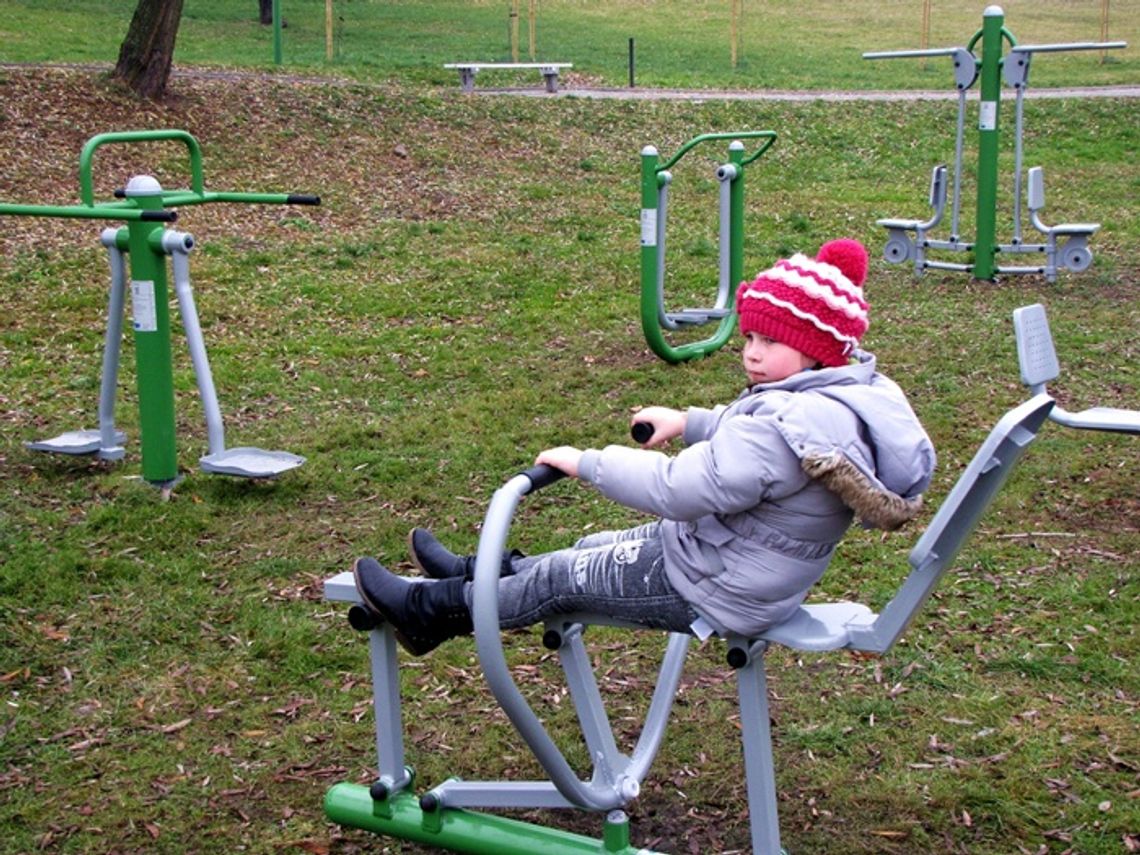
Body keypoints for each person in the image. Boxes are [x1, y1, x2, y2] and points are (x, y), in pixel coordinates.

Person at [353, 238, 936, 655]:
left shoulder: (788, 418)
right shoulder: (832, 398)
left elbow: (679, 489)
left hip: (718, 583)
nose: (752, 353)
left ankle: (430, 613)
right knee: (592, 547)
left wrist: (588, 464)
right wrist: (690, 421)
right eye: (750, 336)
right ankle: (476, 574)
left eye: (771, 341)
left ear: (815, 348)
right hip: (734, 559)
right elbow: (763, 447)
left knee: (563, 578)